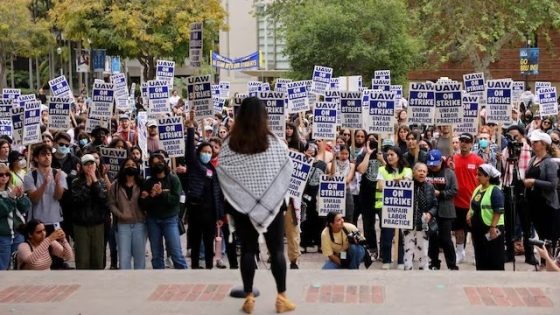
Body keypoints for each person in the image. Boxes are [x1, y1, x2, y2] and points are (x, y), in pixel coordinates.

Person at [216, 97, 295, 314]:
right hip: (272, 204)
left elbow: (222, 172)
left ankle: (249, 298)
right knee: (277, 250)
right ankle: (281, 297)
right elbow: (287, 170)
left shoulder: (229, 144)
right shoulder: (275, 142)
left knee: (248, 250)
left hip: (241, 206)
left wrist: (240, 197)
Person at [185, 111, 224, 270]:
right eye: (204, 151)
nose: (207, 154)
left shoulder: (213, 171)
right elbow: (189, 151)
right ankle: (195, 267)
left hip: (210, 213)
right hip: (195, 210)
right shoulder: (195, 166)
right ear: (199, 152)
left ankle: (209, 268)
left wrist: (220, 215)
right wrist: (190, 129)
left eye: (209, 152)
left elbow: (217, 194)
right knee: (195, 242)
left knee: (208, 243)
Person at [140, 151, 188, 269]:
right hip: (153, 221)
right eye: (154, 163)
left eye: (160, 162)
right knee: (156, 255)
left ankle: (185, 278)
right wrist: (151, 195)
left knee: (176, 253)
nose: (158, 165)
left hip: (170, 220)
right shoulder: (148, 182)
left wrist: (161, 193)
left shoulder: (173, 179)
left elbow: (175, 200)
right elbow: (143, 204)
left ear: (165, 163)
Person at [23, 144, 68, 269]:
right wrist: (44, 184)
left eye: (49, 154)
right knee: (39, 258)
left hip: (55, 221)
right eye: (43, 154)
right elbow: (34, 198)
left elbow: (59, 196)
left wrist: (57, 182)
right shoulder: (30, 176)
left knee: (58, 257)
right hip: (38, 223)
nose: (47, 157)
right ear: (36, 158)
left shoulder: (60, 174)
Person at [500, 125, 537, 264]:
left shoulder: (531, 150)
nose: (513, 139)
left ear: (522, 135)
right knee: (509, 224)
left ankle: (529, 254)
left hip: (525, 190)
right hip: (509, 188)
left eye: (516, 136)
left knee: (527, 225)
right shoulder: (505, 151)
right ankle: (509, 253)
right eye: (510, 136)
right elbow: (503, 171)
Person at [524, 131, 560, 260]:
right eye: (532, 142)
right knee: (540, 235)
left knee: (548, 237)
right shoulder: (533, 159)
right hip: (534, 204)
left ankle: (549, 262)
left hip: (546, 205)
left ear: (544, 144)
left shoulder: (549, 162)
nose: (533, 144)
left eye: (536, 142)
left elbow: (552, 184)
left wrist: (534, 182)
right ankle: (544, 262)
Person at [375, 146, 412, 269]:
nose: (389, 157)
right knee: (387, 234)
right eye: (388, 155)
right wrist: (397, 180)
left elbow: (406, 183)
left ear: (399, 156)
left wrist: (393, 181)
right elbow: (381, 186)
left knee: (401, 235)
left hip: (403, 207)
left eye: (392, 155)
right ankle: (386, 260)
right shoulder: (381, 169)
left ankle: (401, 260)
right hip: (385, 206)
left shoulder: (407, 170)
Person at [108, 157, 146, 270]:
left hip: (140, 224)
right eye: (128, 165)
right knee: (124, 258)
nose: (131, 167)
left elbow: (148, 202)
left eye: (133, 165)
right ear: (123, 168)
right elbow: (111, 203)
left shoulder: (142, 183)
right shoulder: (116, 185)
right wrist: (121, 214)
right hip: (122, 225)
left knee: (140, 258)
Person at [71, 154, 108, 269]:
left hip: (98, 224)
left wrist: (95, 182)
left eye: (91, 163)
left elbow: (103, 199)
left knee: (97, 258)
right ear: (81, 167)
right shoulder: (76, 182)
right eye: (86, 164)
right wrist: (87, 185)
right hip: (81, 224)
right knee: (83, 259)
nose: (89, 166)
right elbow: (76, 201)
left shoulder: (101, 182)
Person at [451, 133, 484, 264]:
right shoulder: (453, 159)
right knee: (458, 229)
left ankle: (477, 255)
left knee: (475, 231)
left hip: (473, 202)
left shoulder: (478, 161)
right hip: (457, 201)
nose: (463, 143)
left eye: (467, 141)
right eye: (461, 141)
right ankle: (460, 252)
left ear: (471, 144)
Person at [466, 164, 505, 270]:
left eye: (480, 175)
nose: (477, 177)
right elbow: (473, 204)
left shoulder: (495, 191)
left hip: (492, 228)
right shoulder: (478, 189)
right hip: (479, 230)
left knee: (494, 257)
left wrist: (493, 227)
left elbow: (498, 211)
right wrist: (470, 213)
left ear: (488, 176)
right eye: (476, 174)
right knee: (481, 256)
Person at [426, 150, 459, 270]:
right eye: (431, 164)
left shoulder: (449, 173)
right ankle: (434, 262)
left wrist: (441, 193)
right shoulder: (426, 172)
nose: (433, 167)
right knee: (432, 238)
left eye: (435, 164)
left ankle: (452, 264)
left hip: (446, 210)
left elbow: (455, 190)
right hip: (431, 211)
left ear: (441, 161)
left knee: (446, 239)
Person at [403, 163, 437, 270]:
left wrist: (430, 214)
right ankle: (407, 269)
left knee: (424, 250)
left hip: (423, 224)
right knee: (408, 249)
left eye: (424, 171)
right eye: (419, 170)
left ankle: (424, 270)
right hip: (408, 223)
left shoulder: (430, 187)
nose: (422, 173)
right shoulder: (406, 185)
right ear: (414, 172)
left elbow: (435, 205)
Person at [355, 135, 383, 257]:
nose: (372, 142)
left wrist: (382, 159)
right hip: (366, 194)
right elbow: (361, 170)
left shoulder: (385, 153)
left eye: (375, 140)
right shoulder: (362, 155)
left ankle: (384, 251)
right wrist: (368, 153)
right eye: (369, 140)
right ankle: (372, 249)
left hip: (381, 194)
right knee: (368, 224)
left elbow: (392, 170)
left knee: (385, 224)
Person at [0, 163, 30, 270]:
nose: (4, 177)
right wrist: (11, 198)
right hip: (3, 235)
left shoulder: (11, 190)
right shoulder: (9, 193)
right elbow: (2, 210)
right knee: (3, 265)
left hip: (17, 233)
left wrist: (21, 197)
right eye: (1, 175)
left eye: (7, 174)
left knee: (18, 264)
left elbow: (25, 208)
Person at [334, 145, 355, 224]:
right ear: (338, 153)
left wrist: (336, 178)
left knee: (348, 217)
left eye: (346, 154)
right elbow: (332, 173)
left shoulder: (351, 165)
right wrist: (333, 158)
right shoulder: (332, 163)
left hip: (347, 192)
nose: (344, 156)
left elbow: (348, 180)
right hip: (335, 192)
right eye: (342, 153)